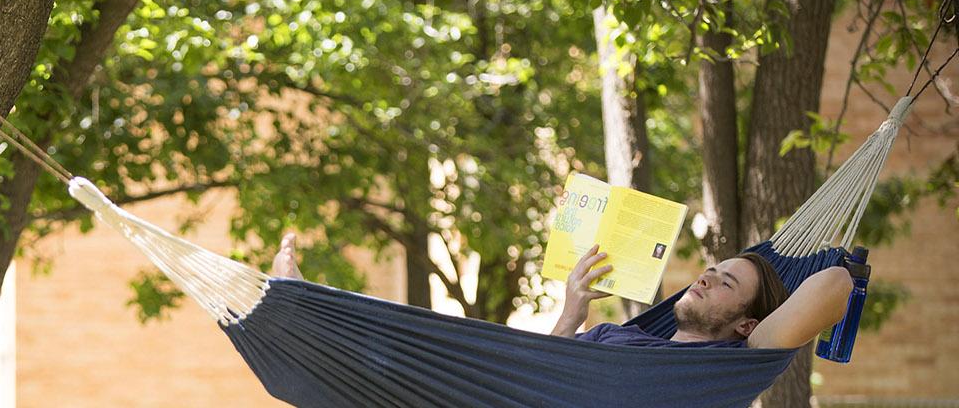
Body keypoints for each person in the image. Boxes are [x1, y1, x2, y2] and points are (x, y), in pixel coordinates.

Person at [269, 235, 852, 349]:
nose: (704, 275)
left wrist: (843, 267)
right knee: (429, 350)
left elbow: (833, 284)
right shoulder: (625, 333)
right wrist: (572, 311)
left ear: (747, 323)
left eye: (726, 282)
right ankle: (308, 313)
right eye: (710, 268)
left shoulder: (725, 363)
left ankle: (307, 312)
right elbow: (542, 369)